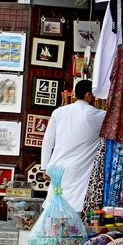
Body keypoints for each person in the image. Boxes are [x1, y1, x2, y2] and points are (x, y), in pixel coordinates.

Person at [40, 79, 106, 212]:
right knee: (75, 207)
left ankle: (54, 231)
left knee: (55, 204)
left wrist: (44, 167)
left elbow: (48, 140)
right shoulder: (95, 115)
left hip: (57, 167)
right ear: (88, 95)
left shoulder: (58, 112)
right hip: (78, 169)